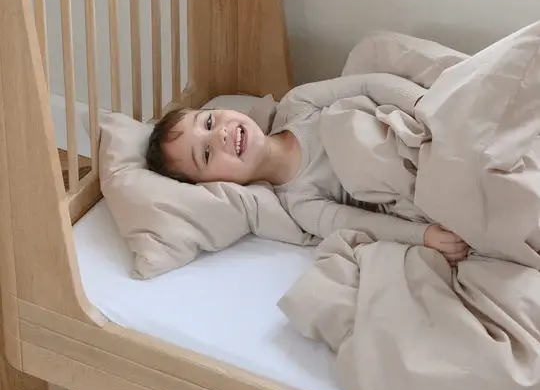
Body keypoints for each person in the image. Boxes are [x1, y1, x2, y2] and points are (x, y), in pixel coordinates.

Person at [146, 72, 469, 265]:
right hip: (417, 181)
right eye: (206, 154)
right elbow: (363, 224)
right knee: (347, 134)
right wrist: (422, 236)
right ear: (218, 184)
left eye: (208, 122)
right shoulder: (301, 204)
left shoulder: (297, 104)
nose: (219, 135)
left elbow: (368, 85)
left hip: (422, 129)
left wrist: (425, 105)